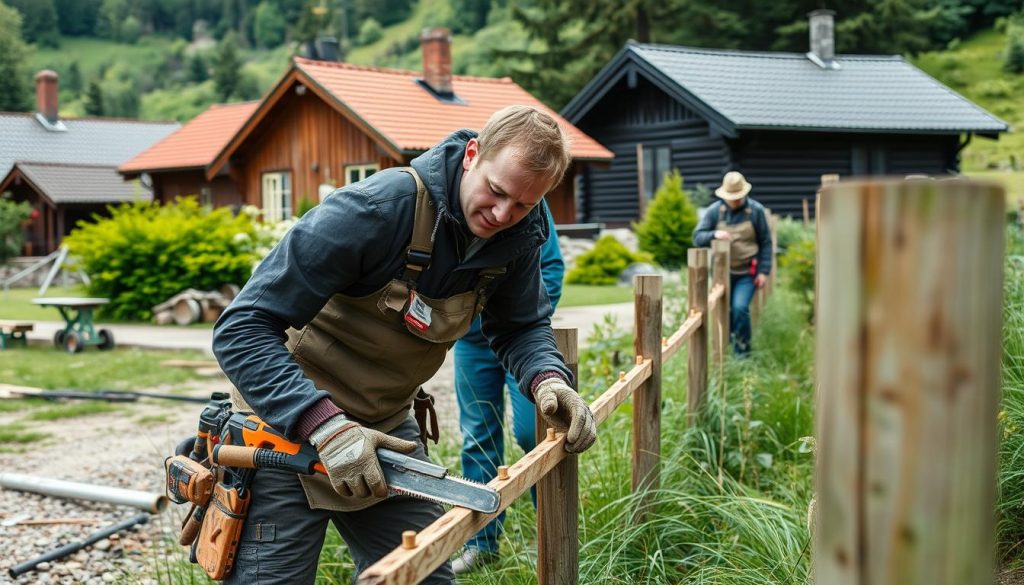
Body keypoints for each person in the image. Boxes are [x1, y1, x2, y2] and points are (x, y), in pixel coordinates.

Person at [212, 105, 598, 584]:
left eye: (522, 204)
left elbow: (521, 326)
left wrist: (547, 377)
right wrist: (325, 426)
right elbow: (241, 328)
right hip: (280, 431)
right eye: (496, 193)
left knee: (425, 576)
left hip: (385, 431)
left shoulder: (518, 232)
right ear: (473, 154)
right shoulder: (375, 211)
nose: (503, 214)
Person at [451, 200, 564, 574]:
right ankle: (482, 543)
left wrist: (515, 312)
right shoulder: (463, 203)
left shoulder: (529, 205)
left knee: (533, 432)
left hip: (520, 342)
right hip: (472, 343)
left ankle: (548, 530)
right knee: (478, 436)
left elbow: (551, 269)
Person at [692, 170, 772, 355]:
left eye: (738, 197)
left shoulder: (756, 211)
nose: (735, 201)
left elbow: (766, 242)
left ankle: (742, 353)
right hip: (722, 273)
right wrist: (714, 234)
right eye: (731, 197)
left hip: (747, 273)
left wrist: (764, 271)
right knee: (724, 311)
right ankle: (725, 348)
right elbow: (697, 237)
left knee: (740, 308)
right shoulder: (714, 211)